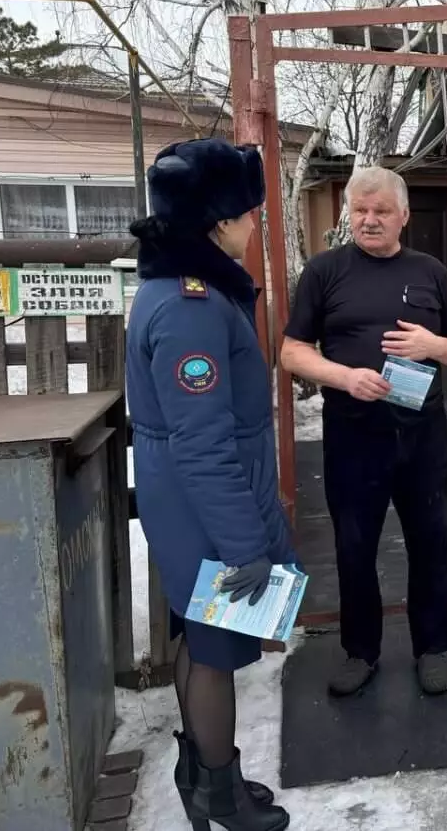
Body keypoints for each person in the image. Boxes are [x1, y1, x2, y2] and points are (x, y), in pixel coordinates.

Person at [127, 138, 295, 831]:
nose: (254, 225)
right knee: (216, 648)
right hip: (208, 503)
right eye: (247, 213)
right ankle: (218, 795)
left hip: (200, 492)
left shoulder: (183, 290)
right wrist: (244, 544)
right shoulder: (191, 308)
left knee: (204, 640)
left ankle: (203, 772)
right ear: (217, 220)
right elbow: (201, 443)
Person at [282, 166, 447, 697]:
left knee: (430, 543)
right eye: (360, 210)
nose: (368, 221)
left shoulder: (431, 271)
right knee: (354, 546)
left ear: (404, 216)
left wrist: (432, 346)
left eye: (381, 211)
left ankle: (432, 648)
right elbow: (291, 351)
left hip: (423, 435)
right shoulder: (325, 272)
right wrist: (346, 377)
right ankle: (359, 652)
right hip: (353, 434)